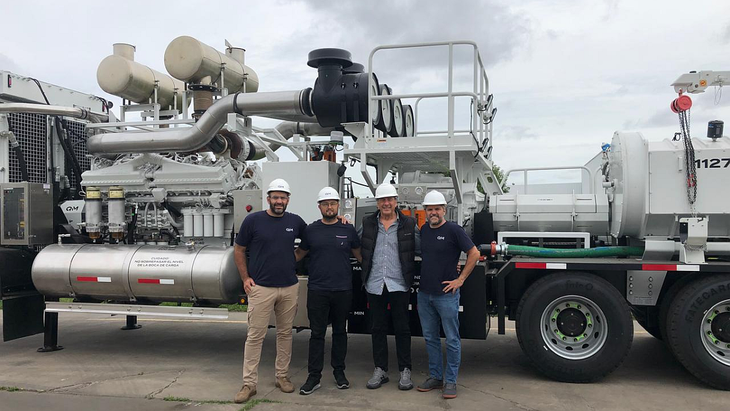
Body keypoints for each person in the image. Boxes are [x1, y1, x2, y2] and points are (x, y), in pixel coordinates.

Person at [233, 178, 307, 404]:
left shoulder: (295, 221)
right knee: (255, 336)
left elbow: (309, 241)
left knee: (285, 334)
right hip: (261, 288)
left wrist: (294, 258)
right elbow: (239, 249)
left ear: (288, 200)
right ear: (268, 198)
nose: (279, 201)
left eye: (283, 197)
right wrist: (245, 278)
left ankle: (282, 377)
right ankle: (249, 384)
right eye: (275, 197)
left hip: (288, 287)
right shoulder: (253, 220)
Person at [294, 187, 362, 395]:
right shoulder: (311, 230)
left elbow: (360, 256)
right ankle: (314, 377)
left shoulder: (348, 229)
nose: (329, 207)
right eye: (325, 204)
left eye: (333, 203)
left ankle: (339, 373)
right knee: (317, 334)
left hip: (342, 290)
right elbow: (298, 254)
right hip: (318, 290)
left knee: (340, 332)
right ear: (319, 206)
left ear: (338, 205)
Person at [415, 191, 479, 400]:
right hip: (424, 294)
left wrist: (460, 280)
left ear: (444, 210)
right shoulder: (424, 230)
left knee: (452, 339)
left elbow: (474, 253)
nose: (433, 212)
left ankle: (450, 380)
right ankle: (435, 377)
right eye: (430, 209)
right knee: (431, 338)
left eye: (437, 209)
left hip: (446, 295)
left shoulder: (453, 230)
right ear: (425, 211)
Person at [359, 183, 418, 390]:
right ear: (377, 202)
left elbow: (424, 247)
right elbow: (357, 244)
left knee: (402, 328)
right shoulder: (367, 223)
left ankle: (405, 371)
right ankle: (380, 370)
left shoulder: (409, 224)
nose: (386, 203)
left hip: (399, 284)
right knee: (377, 328)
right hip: (375, 284)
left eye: (390, 199)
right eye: (382, 200)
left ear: (396, 202)